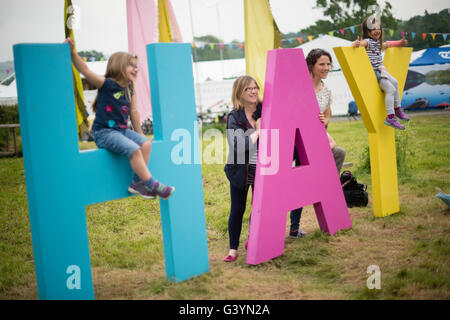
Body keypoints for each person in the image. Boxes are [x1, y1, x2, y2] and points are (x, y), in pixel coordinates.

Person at [65, 37, 174, 200]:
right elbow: (86, 71)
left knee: (144, 145)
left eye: (137, 67)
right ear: (119, 65)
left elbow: (134, 112)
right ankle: (153, 184)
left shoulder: (129, 88)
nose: (136, 69)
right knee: (134, 150)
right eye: (132, 65)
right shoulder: (106, 84)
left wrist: (140, 134)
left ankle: (137, 183)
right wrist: (73, 52)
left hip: (121, 131)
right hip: (104, 132)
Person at [289, 48, 346, 238]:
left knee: (339, 153)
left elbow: (328, 113)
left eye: (328, 64)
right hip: (298, 141)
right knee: (299, 181)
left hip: (316, 139)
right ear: (311, 66)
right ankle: (295, 227)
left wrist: (325, 121)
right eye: (322, 64)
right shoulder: (299, 86)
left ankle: (326, 191)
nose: (326, 68)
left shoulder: (326, 90)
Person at [223, 76, 262, 262]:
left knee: (259, 208)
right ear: (240, 93)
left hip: (264, 167)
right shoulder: (234, 117)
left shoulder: (266, 109)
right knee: (237, 209)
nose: (254, 91)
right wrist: (258, 132)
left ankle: (253, 239)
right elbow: (239, 145)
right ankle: (233, 249)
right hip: (239, 169)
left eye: (255, 87)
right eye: (249, 89)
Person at [352, 15, 409, 130]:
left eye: (378, 28)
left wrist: (400, 43)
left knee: (396, 82)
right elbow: (360, 44)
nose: (376, 30)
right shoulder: (367, 42)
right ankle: (391, 117)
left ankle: (398, 109)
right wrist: (356, 44)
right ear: (367, 32)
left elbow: (389, 44)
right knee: (390, 89)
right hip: (374, 71)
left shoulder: (378, 43)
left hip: (381, 69)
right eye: (373, 29)